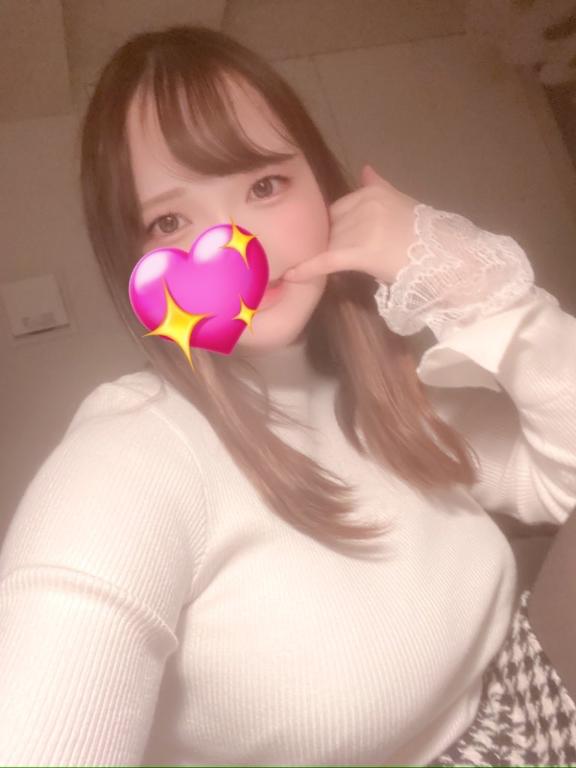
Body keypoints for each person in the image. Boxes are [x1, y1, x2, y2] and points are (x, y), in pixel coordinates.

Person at [0, 23, 575, 768]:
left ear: (323, 190)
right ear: (130, 258)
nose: (237, 245)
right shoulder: (130, 457)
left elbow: (562, 481)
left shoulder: (388, 382)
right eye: (170, 220)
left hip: (530, 699)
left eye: (264, 186)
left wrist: (472, 282)